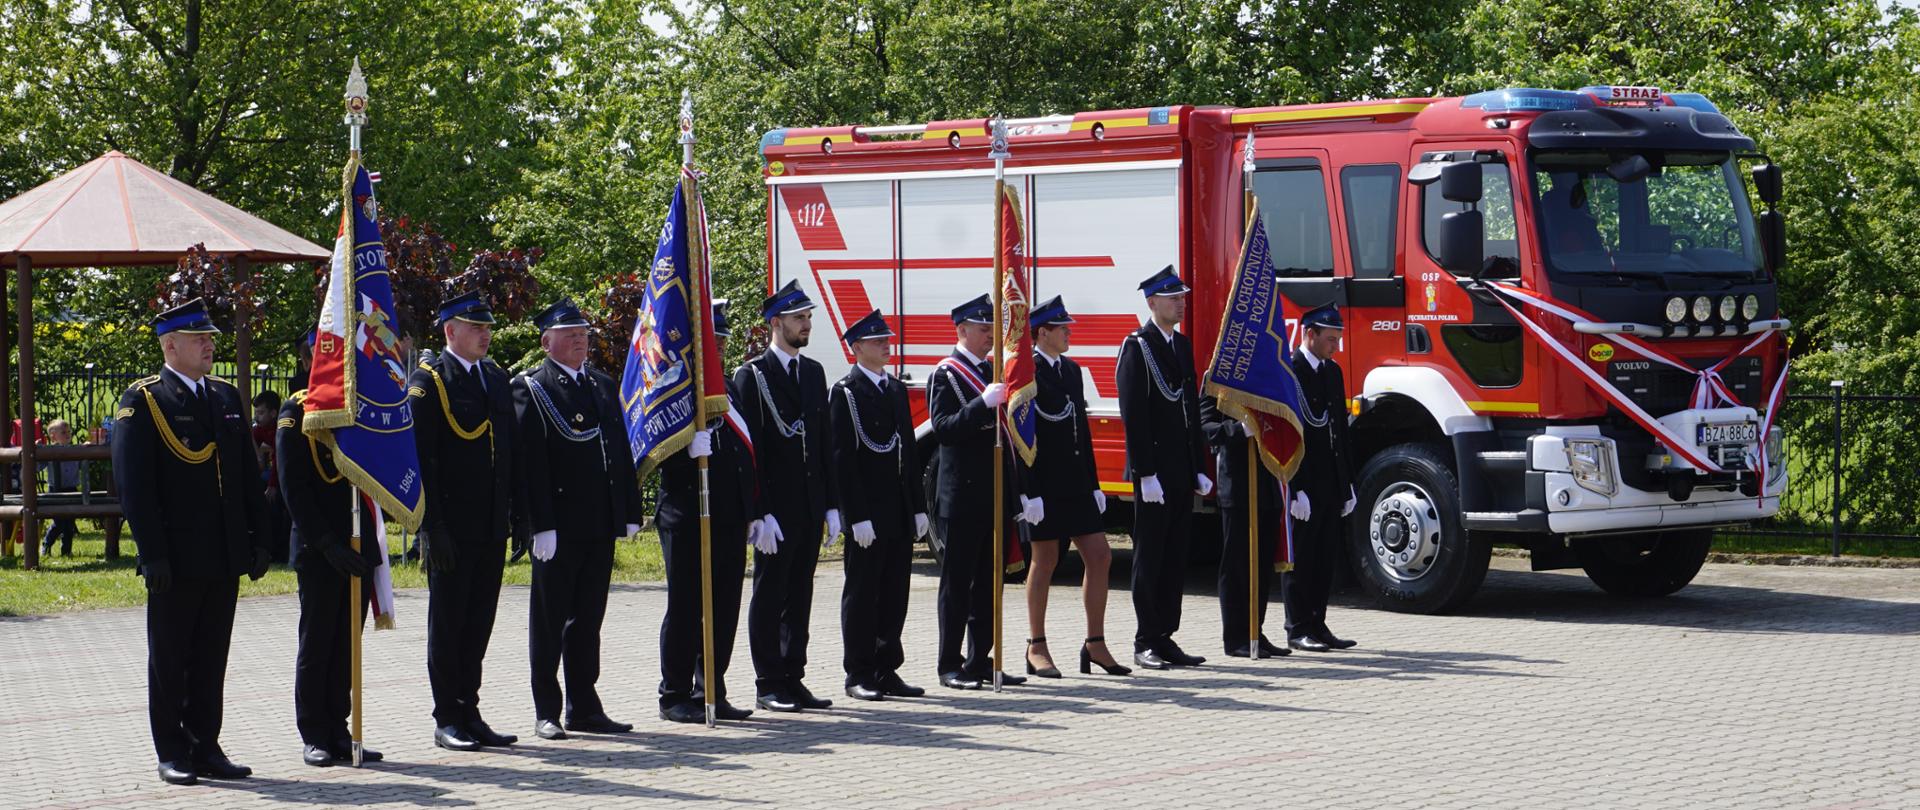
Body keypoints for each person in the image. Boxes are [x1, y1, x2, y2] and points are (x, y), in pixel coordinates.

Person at [111, 298, 272, 785]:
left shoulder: (224, 397)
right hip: (176, 559)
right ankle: (172, 750)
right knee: (170, 657)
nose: (209, 345)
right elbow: (134, 486)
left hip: (222, 553)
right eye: (199, 338)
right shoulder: (144, 400)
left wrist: (260, 538)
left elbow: (247, 474)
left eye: (210, 338)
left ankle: (207, 745)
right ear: (170, 345)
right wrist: (152, 553)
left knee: (209, 656)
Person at [512, 298, 643, 740]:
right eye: (570, 334)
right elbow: (530, 464)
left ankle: (584, 705)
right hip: (559, 526)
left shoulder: (603, 385)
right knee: (549, 622)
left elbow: (619, 453)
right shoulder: (532, 388)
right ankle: (546, 709)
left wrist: (627, 510)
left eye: (584, 333)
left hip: (598, 522)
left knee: (588, 620)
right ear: (547, 341)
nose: (580, 340)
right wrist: (538, 524)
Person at [407, 289, 528, 751]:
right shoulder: (429, 382)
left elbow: (510, 452)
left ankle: (470, 709)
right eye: (476, 327)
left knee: (479, 622)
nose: (485, 334)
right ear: (449, 331)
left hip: (490, 524)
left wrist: (519, 514)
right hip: (451, 528)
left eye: (488, 327)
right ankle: (447, 716)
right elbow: (423, 460)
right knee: (450, 622)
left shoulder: (495, 378)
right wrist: (430, 527)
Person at [732, 279, 840, 713]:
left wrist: (832, 504)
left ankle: (794, 676)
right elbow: (750, 449)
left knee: (800, 593)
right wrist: (759, 512)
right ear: (775, 323)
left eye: (809, 318)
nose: (806, 325)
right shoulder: (752, 375)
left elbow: (823, 442)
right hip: (776, 508)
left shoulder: (812, 372)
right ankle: (768, 680)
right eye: (799, 318)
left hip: (810, 504)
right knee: (771, 593)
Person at [657, 300, 758, 723]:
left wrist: (753, 510)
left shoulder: (727, 389)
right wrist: (685, 453)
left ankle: (712, 688)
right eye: (711, 340)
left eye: (721, 340)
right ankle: (675, 693)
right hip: (686, 511)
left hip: (727, 514)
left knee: (724, 604)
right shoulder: (674, 385)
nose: (717, 346)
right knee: (686, 605)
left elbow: (743, 455)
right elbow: (655, 448)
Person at [1018, 297, 1129, 678]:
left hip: (1076, 482)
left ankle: (1094, 644)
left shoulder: (1071, 370)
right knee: (1045, 560)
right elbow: (1020, 435)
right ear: (1043, 332)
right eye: (1062, 328)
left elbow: (1080, 427)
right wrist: (1027, 491)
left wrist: (1095, 483)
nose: (1069, 333)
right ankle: (1036, 645)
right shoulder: (1025, 370)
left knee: (1100, 556)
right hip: (1044, 482)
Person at [276, 390, 386, 767]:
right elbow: (294, 488)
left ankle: (340, 730)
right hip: (320, 550)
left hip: (358, 546)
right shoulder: (296, 411)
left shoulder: (358, 404)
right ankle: (314, 733)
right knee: (318, 643)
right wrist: (327, 544)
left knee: (346, 645)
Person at [829, 310, 930, 701]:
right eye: (876, 341)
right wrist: (855, 515)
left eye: (886, 339)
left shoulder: (894, 389)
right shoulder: (847, 392)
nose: (886, 345)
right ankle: (858, 672)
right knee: (862, 593)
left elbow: (908, 451)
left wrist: (918, 506)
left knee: (894, 592)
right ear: (856, 348)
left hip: (897, 508)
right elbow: (843, 459)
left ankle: (887, 668)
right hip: (867, 511)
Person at [927, 294, 1026, 690]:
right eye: (983, 329)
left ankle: (979, 658)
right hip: (961, 494)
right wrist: (981, 406)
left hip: (992, 492)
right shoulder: (946, 374)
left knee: (989, 581)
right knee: (957, 583)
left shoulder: (992, 371)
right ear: (962, 330)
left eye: (991, 328)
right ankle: (949, 663)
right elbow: (944, 428)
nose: (990, 335)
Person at [1115, 265, 1212, 671]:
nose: (1181, 303)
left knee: (1175, 557)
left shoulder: (1181, 345)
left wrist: (1198, 464)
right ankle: (1145, 638)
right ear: (1152, 303)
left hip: (1178, 469)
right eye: (1173, 298)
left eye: (1182, 297)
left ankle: (1166, 635)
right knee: (1151, 556)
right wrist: (1145, 472)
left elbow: (1189, 408)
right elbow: (1133, 413)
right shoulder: (1137, 347)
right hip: (1153, 472)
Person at [1284, 302, 1359, 652]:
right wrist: (1295, 488)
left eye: (1338, 339)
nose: (1335, 346)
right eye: (1330, 339)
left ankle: (1318, 622)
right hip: (1304, 480)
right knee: (1302, 557)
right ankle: (1297, 626)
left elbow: (1339, 433)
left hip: (1330, 480)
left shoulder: (1332, 372)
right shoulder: (1290, 370)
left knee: (1326, 557)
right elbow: (1288, 435)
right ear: (1309, 334)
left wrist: (1347, 485)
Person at [1200, 395, 1290, 658]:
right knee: (1237, 565)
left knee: (1261, 566)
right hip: (1238, 484)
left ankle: (1255, 630)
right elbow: (1204, 427)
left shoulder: (1266, 380)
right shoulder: (1219, 380)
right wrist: (1237, 430)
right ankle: (1236, 636)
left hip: (1268, 483)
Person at [252, 390, 291, 564]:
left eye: (261, 413)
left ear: (273, 413)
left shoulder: (280, 430)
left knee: (277, 510)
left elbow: (279, 461)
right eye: (256, 413)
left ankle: (279, 549)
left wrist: (273, 485)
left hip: (281, 479)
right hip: (269, 477)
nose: (257, 417)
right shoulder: (260, 430)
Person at [38, 418, 82, 557]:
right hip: (55, 490)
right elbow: (38, 466)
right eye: (63, 432)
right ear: (53, 436)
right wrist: (37, 450)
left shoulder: (75, 450)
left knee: (69, 522)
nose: (68, 434)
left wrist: (89, 446)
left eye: (69, 431)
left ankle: (66, 551)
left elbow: (85, 460)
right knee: (58, 522)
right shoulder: (49, 451)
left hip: (71, 489)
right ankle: (46, 544)